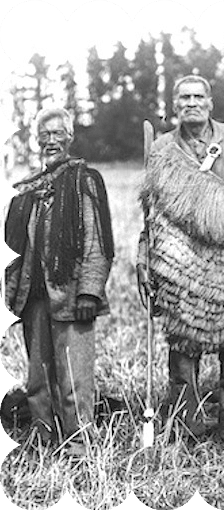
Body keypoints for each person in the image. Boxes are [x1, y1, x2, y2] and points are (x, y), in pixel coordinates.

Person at [137, 75, 224, 441]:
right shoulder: (162, 148)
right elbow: (151, 211)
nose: (191, 102)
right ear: (175, 105)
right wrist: (144, 257)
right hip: (180, 260)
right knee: (183, 345)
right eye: (184, 98)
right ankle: (185, 427)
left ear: (210, 102)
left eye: (198, 96)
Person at [4, 107, 114, 450]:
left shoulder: (85, 181)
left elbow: (98, 241)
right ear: (36, 140)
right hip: (31, 296)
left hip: (72, 297)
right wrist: (11, 296)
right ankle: (42, 438)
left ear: (70, 137)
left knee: (74, 377)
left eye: (58, 134)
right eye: (45, 135)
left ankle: (80, 444)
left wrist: (90, 293)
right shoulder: (23, 190)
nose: (51, 141)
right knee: (37, 377)